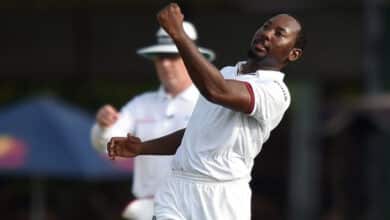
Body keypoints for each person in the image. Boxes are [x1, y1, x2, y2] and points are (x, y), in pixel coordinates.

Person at [107, 3, 306, 220]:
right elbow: (196, 132)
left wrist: (179, 34)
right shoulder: (227, 72)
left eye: (279, 34)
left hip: (221, 196)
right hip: (177, 187)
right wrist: (143, 147)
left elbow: (216, 91)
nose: (267, 34)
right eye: (266, 26)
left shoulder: (275, 92)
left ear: (293, 54)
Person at [90, 20, 215, 220]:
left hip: (198, 209)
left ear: (193, 59)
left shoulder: (211, 104)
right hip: (150, 209)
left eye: (174, 56)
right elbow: (107, 145)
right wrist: (104, 126)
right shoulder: (141, 104)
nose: (165, 63)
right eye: (160, 57)